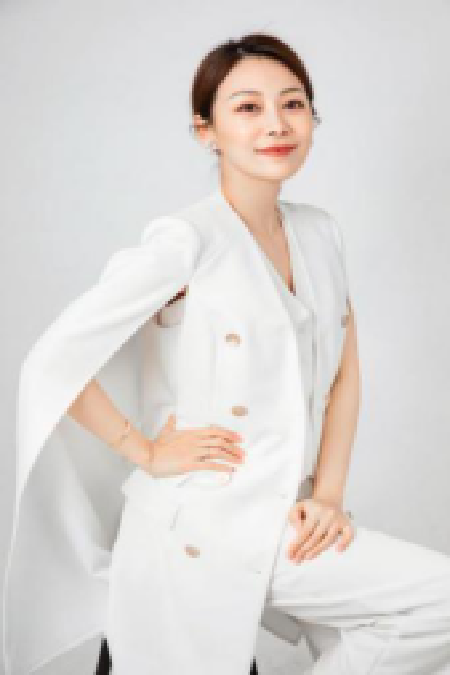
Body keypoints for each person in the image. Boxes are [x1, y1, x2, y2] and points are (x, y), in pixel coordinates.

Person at [3, 32, 450, 675]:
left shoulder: (320, 233)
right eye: (247, 108)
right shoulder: (186, 240)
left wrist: (328, 494)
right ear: (205, 130)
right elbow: (52, 359)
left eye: (292, 104)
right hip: (201, 523)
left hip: (288, 518)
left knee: (431, 606)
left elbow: (344, 373)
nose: (276, 124)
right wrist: (145, 450)